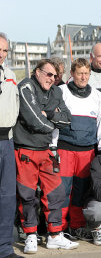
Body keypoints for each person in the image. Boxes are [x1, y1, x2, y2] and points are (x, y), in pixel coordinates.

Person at [13, 59, 78, 253]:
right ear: (37, 72)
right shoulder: (26, 86)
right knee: (27, 195)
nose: (52, 78)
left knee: (56, 193)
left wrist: (47, 113)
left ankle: (55, 235)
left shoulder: (57, 91)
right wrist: (51, 120)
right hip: (25, 150)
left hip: (47, 150)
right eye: (48, 74)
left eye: (55, 76)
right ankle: (30, 235)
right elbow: (33, 119)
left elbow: (67, 120)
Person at [51, 58, 101, 240]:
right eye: (79, 73)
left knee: (80, 191)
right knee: (62, 190)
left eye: (86, 73)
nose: (83, 77)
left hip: (87, 151)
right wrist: (53, 147)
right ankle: (58, 228)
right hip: (65, 150)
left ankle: (76, 226)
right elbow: (54, 122)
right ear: (72, 74)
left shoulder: (97, 96)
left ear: (89, 75)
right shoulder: (61, 92)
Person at [0, 32, 22, 258]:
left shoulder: (10, 75)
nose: (1, 54)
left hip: (6, 142)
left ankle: (4, 248)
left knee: (7, 198)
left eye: (5, 50)